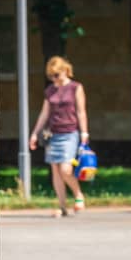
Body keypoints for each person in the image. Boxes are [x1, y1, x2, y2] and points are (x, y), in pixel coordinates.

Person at [28, 56, 90, 217]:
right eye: (51, 76)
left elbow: (81, 111)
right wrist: (34, 134)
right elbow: (44, 114)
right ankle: (62, 207)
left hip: (70, 133)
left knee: (65, 169)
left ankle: (78, 194)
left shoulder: (76, 87)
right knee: (55, 170)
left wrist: (84, 132)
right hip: (53, 134)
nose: (55, 78)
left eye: (57, 75)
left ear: (65, 71)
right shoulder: (50, 91)